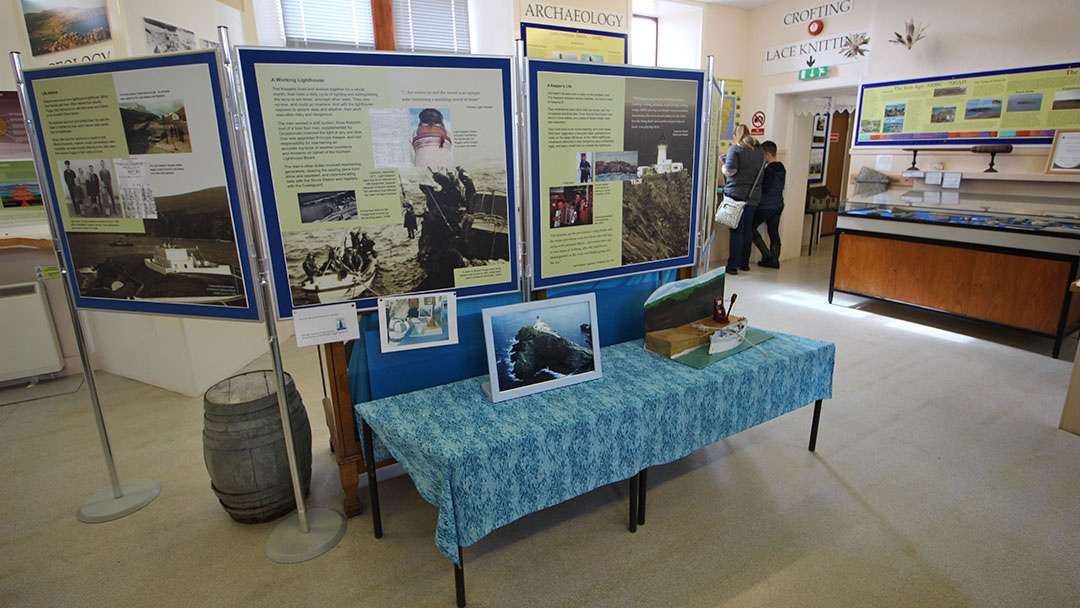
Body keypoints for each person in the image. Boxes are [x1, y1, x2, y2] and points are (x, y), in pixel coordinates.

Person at [722, 124, 766, 275]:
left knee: (736, 230)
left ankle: (732, 265)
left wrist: (723, 167)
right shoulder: (760, 151)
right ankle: (744, 263)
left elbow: (730, 171)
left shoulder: (736, 149)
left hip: (737, 196)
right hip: (753, 196)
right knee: (747, 229)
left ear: (736, 135)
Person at [752, 140, 786, 268]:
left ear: (767, 154)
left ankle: (767, 255)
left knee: (750, 227)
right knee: (773, 231)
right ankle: (775, 260)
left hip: (766, 205)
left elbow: (764, 187)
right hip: (778, 204)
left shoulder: (768, 171)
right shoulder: (782, 168)